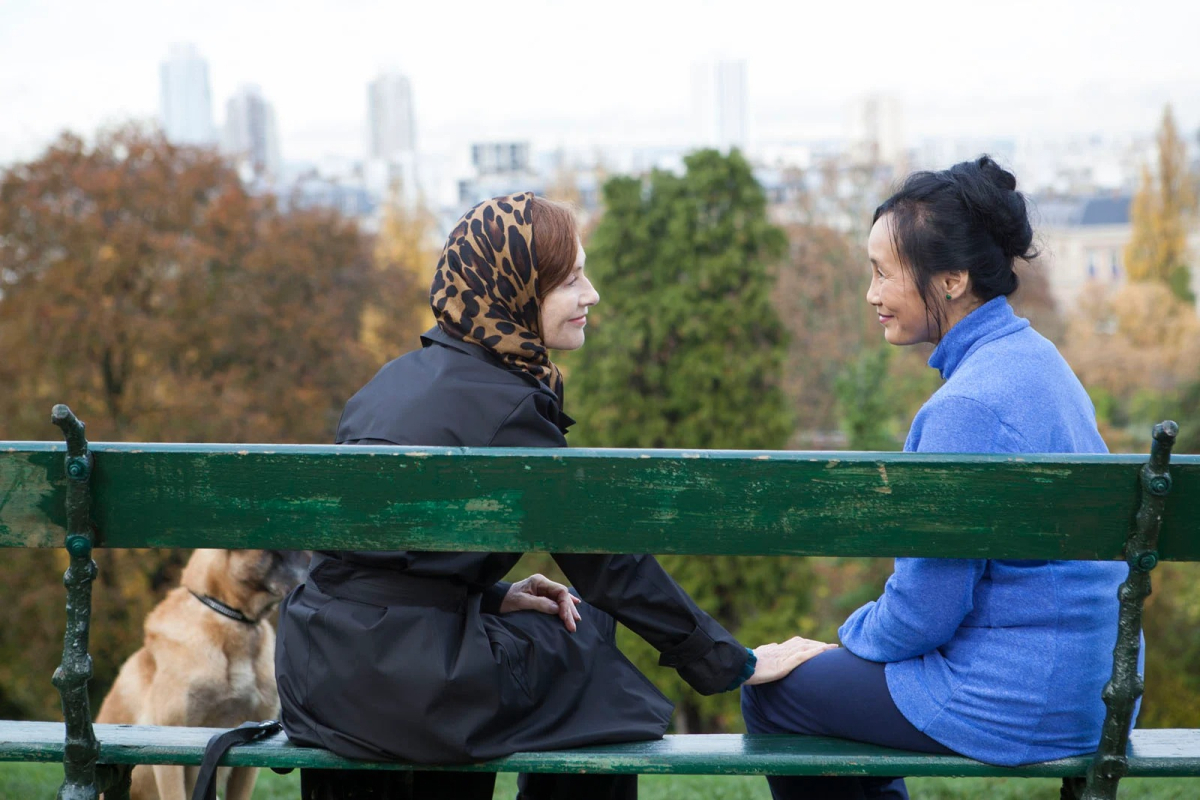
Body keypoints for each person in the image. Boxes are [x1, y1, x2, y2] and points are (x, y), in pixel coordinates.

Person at [275, 193, 833, 800]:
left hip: (316, 671)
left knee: (562, 632)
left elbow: (368, 561)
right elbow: (608, 567)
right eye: (570, 280)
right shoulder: (510, 407)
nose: (591, 294)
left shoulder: (387, 384)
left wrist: (490, 597)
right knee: (597, 663)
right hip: (405, 686)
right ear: (513, 290)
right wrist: (732, 662)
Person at [740, 157, 1136, 800]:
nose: (870, 293)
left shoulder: (966, 409)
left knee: (775, 692)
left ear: (951, 279)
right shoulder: (1037, 360)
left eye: (881, 273)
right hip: (1095, 685)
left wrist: (836, 644)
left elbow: (923, 616)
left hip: (1020, 694)